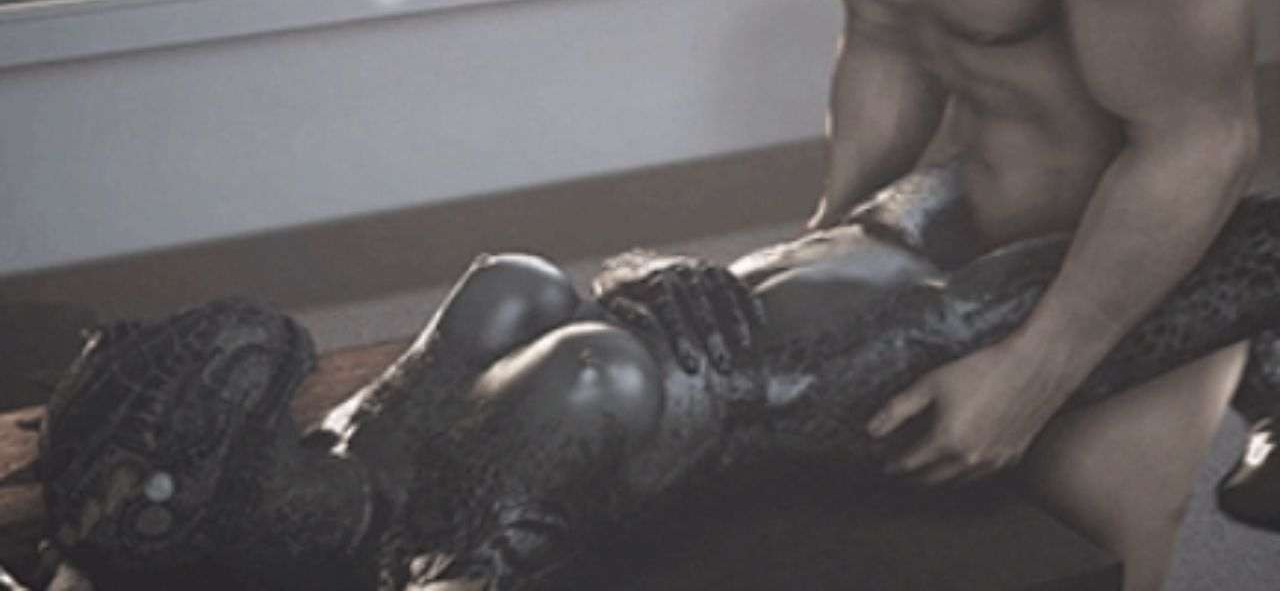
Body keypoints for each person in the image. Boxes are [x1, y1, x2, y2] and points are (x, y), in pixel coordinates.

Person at [33, 182, 1280, 590]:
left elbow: (530, 304)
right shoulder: (434, 555)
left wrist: (638, 282)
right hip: (818, 376)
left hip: (767, 278)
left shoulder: (355, 453)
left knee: (1049, 147)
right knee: (1171, 255)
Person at [787, 0, 1259, 589]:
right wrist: (828, 238)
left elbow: (1203, 143)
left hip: (1131, 271)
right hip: (963, 228)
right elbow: (884, 31)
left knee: (1080, 550)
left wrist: (1031, 376)